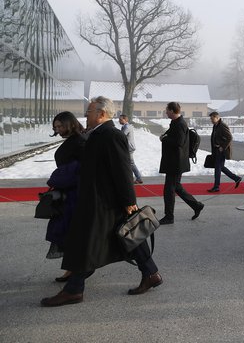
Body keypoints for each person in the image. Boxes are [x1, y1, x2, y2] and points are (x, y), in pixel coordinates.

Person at [40, 97, 161, 307]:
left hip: (106, 201)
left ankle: (74, 290)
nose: (86, 115)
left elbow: (122, 170)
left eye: (89, 111)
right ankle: (151, 274)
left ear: (102, 113)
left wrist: (129, 201)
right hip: (99, 198)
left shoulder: (111, 135)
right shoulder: (98, 134)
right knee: (125, 236)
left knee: (90, 242)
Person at [45, 111, 86, 282]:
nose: (58, 129)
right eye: (56, 127)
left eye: (61, 126)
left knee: (70, 233)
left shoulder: (79, 142)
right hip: (68, 193)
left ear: (70, 123)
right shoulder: (75, 141)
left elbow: (83, 169)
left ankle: (76, 271)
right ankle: (72, 269)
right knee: (67, 233)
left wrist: (61, 178)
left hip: (74, 194)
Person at [158, 101, 204, 224]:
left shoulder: (180, 124)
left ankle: (169, 217)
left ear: (172, 111)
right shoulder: (176, 123)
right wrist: (165, 137)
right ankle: (196, 205)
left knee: (169, 190)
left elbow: (179, 142)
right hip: (175, 162)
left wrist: (164, 139)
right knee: (176, 187)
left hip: (176, 163)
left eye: (167, 110)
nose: (166, 112)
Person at [207, 111, 242, 192]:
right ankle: (236, 178)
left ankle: (216, 186)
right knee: (221, 167)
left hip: (221, 151)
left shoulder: (222, 125)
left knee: (217, 168)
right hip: (216, 150)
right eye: (210, 119)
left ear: (217, 117)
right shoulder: (215, 125)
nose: (211, 120)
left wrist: (222, 147)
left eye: (212, 119)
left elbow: (229, 137)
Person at [119, 114, 143, 184]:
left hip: (129, 148)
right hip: (127, 147)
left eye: (121, 119)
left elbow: (122, 135)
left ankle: (138, 178)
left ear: (125, 120)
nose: (119, 121)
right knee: (128, 163)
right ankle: (132, 178)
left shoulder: (127, 127)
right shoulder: (124, 126)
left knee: (131, 163)